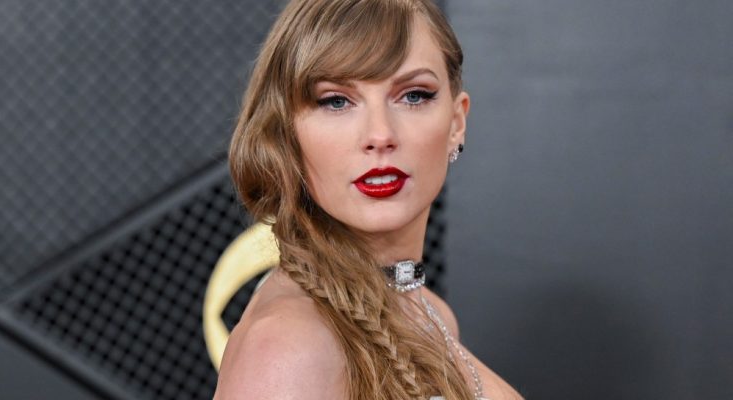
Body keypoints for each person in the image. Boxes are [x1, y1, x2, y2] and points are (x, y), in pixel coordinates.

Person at [215, 0, 523, 399]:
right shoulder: (287, 346)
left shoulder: (429, 311)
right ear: (287, 134)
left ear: (456, 123)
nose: (380, 135)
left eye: (413, 96)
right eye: (336, 101)